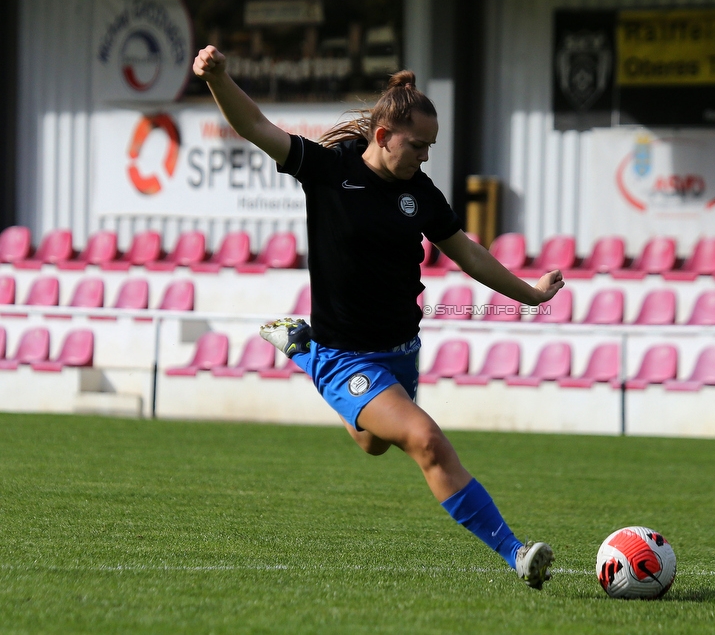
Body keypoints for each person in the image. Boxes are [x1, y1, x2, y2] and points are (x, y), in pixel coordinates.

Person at [192, 45, 564, 589]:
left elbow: (471, 255)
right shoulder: (327, 170)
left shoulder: (421, 193)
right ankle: (516, 551)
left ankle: (300, 348)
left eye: (431, 147)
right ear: (384, 135)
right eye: (418, 145)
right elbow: (252, 123)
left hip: (401, 351)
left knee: (372, 443)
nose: (426, 157)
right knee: (426, 440)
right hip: (347, 355)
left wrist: (529, 295)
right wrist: (218, 78)